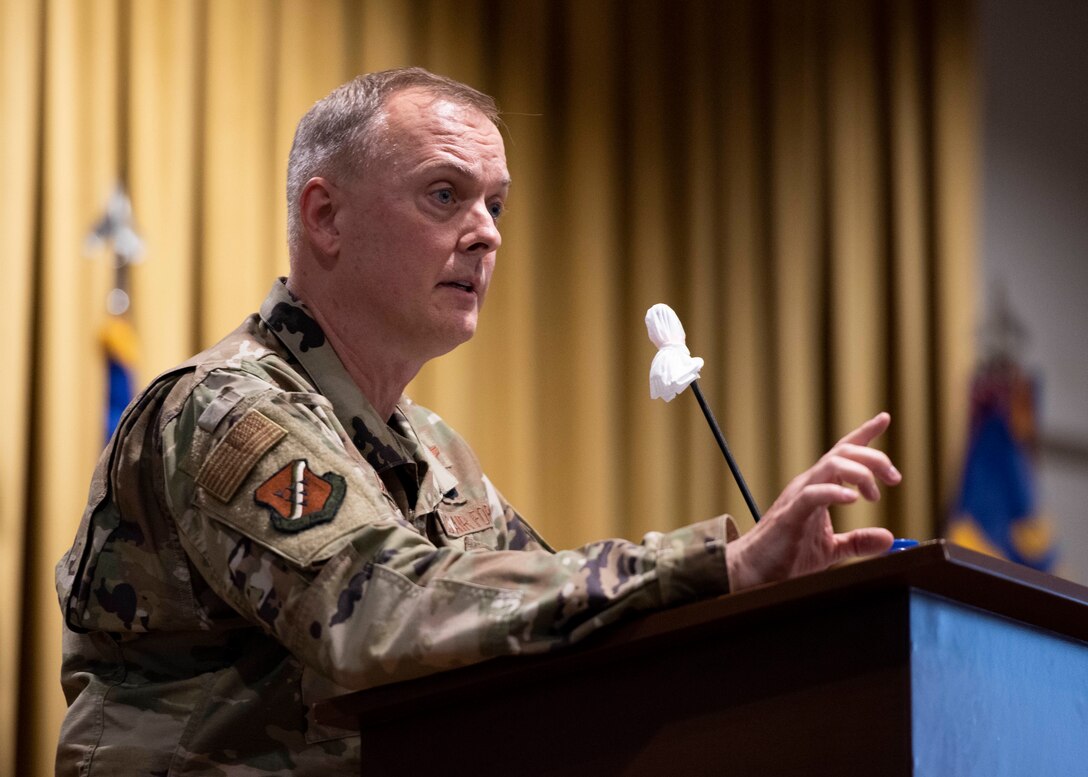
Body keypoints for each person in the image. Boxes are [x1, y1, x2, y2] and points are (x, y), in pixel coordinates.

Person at [56, 67, 900, 775]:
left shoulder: (434, 450)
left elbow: (552, 617)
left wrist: (774, 605)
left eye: (497, 204)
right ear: (325, 218)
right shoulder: (226, 409)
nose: (487, 233)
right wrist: (718, 563)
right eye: (445, 195)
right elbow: (378, 612)